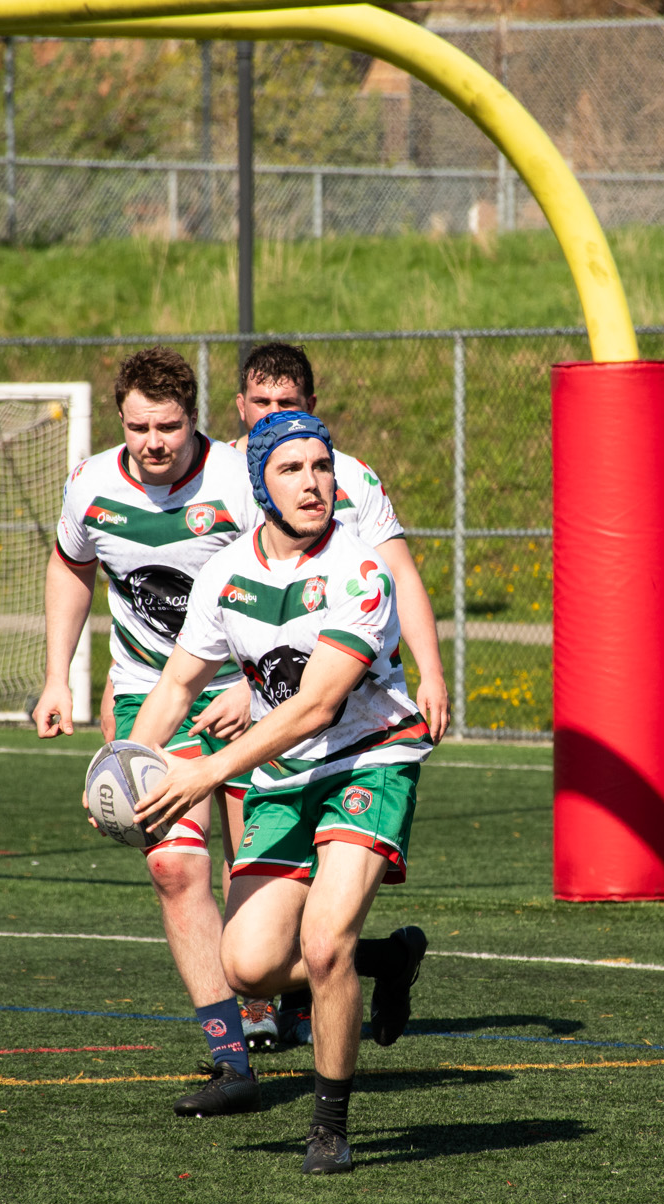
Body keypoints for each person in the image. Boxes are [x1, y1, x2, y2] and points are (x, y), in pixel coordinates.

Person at [130, 410, 433, 1175]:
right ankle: (386, 961)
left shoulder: (360, 571)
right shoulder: (226, 574)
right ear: (261, 485)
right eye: (292, 469)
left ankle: (329, 1127)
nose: (313, 483)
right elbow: (177, 682)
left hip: (368, 759)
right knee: (250, 965)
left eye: (322, 467)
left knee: (322, 944)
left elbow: (316, 707)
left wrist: (208, 768)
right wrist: (123, 762)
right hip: (285, 775)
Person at [33, 347, 265, 1118]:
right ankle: (232, 1059)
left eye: (168, 426)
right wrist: (57, 674)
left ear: (194, 417)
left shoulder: (239, 480)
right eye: (139, 426)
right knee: (174, 868)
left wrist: (265, 688)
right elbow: (71, 566)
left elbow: (293, 574)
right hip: (147, 697)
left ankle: (362, 964)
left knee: (266, 906)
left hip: (254, 695)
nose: (153, 441)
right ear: (120, 420)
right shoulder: (92, 483)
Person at [227, 342, 450, 1051]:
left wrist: (433, 670)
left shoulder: (349, 480)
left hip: (357, 718)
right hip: (273, 712)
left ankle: (312, 1030)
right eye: (261, 404)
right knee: (251, 952)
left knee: (323, 932)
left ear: (312, 408)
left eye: (287, 404)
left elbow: (401, 575)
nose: (273, 415)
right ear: (240, 407)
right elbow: (233, 595)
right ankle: (350, 967)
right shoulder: (227, 480)